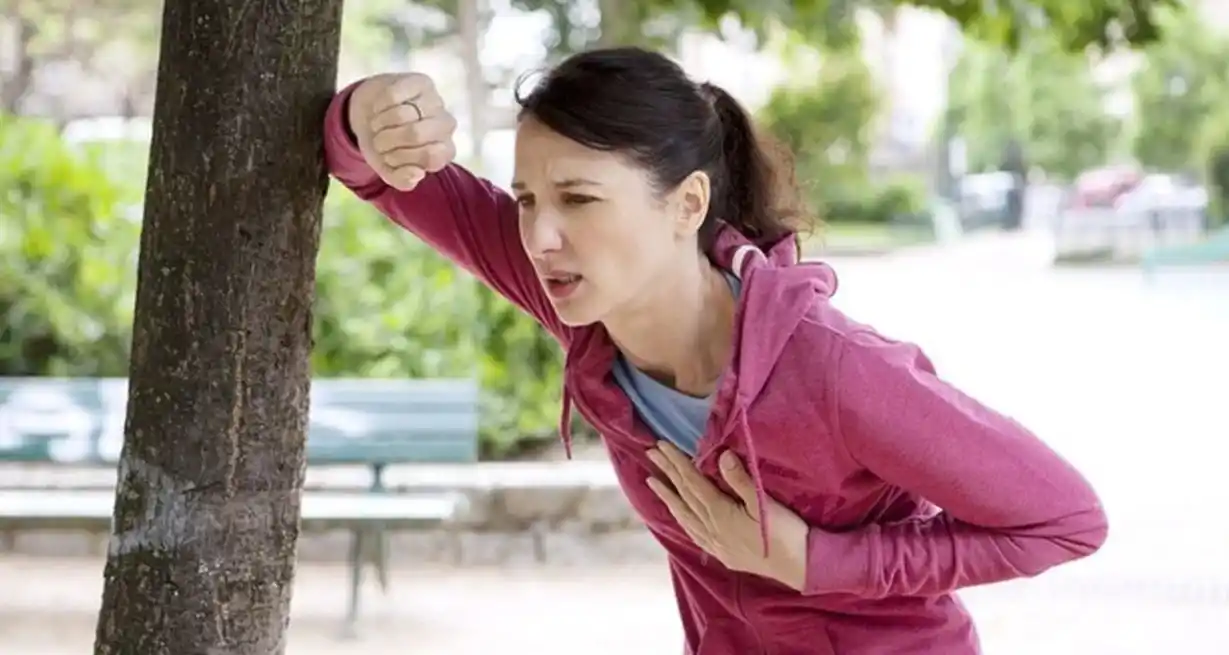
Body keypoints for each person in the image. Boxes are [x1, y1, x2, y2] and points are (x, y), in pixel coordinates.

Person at [325, 47, 1107, 654]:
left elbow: (1064, 520)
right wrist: (370, 112)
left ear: (686, 204)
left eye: (579, 198)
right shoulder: (585, 301)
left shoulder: (831, 369)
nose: (538, 234)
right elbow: (378, 174)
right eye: (526, 198)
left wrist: (818, 562)